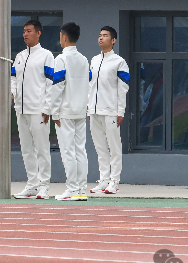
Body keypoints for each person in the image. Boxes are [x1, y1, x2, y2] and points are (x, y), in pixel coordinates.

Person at [10, 19, 54, 200]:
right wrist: (12, 94)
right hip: (21, 109)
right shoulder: (19, 56)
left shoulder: (46, 55)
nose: (25, 34)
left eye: (29, 31)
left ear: (39, 33)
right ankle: (32, 185)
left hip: (39, 109)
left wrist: (47, 107)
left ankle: (44, 186)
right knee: (26, 149)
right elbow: (13, 78)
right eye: (24, 31)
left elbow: (51, 83)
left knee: (42, 149)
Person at [49, 22, 89, 201]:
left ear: (63, 37)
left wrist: (54, 112)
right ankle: (81, 189)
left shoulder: (61, 59)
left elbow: (57, 87)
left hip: (65, 111)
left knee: (68, 151)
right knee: (81, 150)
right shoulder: (84, 59)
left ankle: (72, 189)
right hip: (81, 110)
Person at [87, 26, 129, 195]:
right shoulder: (94, 60)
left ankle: (114, 181)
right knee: (100, 147)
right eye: (99, 35)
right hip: (94, 110)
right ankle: (103, 180)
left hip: (111, 110)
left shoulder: (119, 62)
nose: (101, 38)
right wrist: (89, 108)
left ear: (113, 40)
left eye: (105, 36)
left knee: (114, 147)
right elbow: (89, 86)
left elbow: (123, 88)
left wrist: (121, 111)